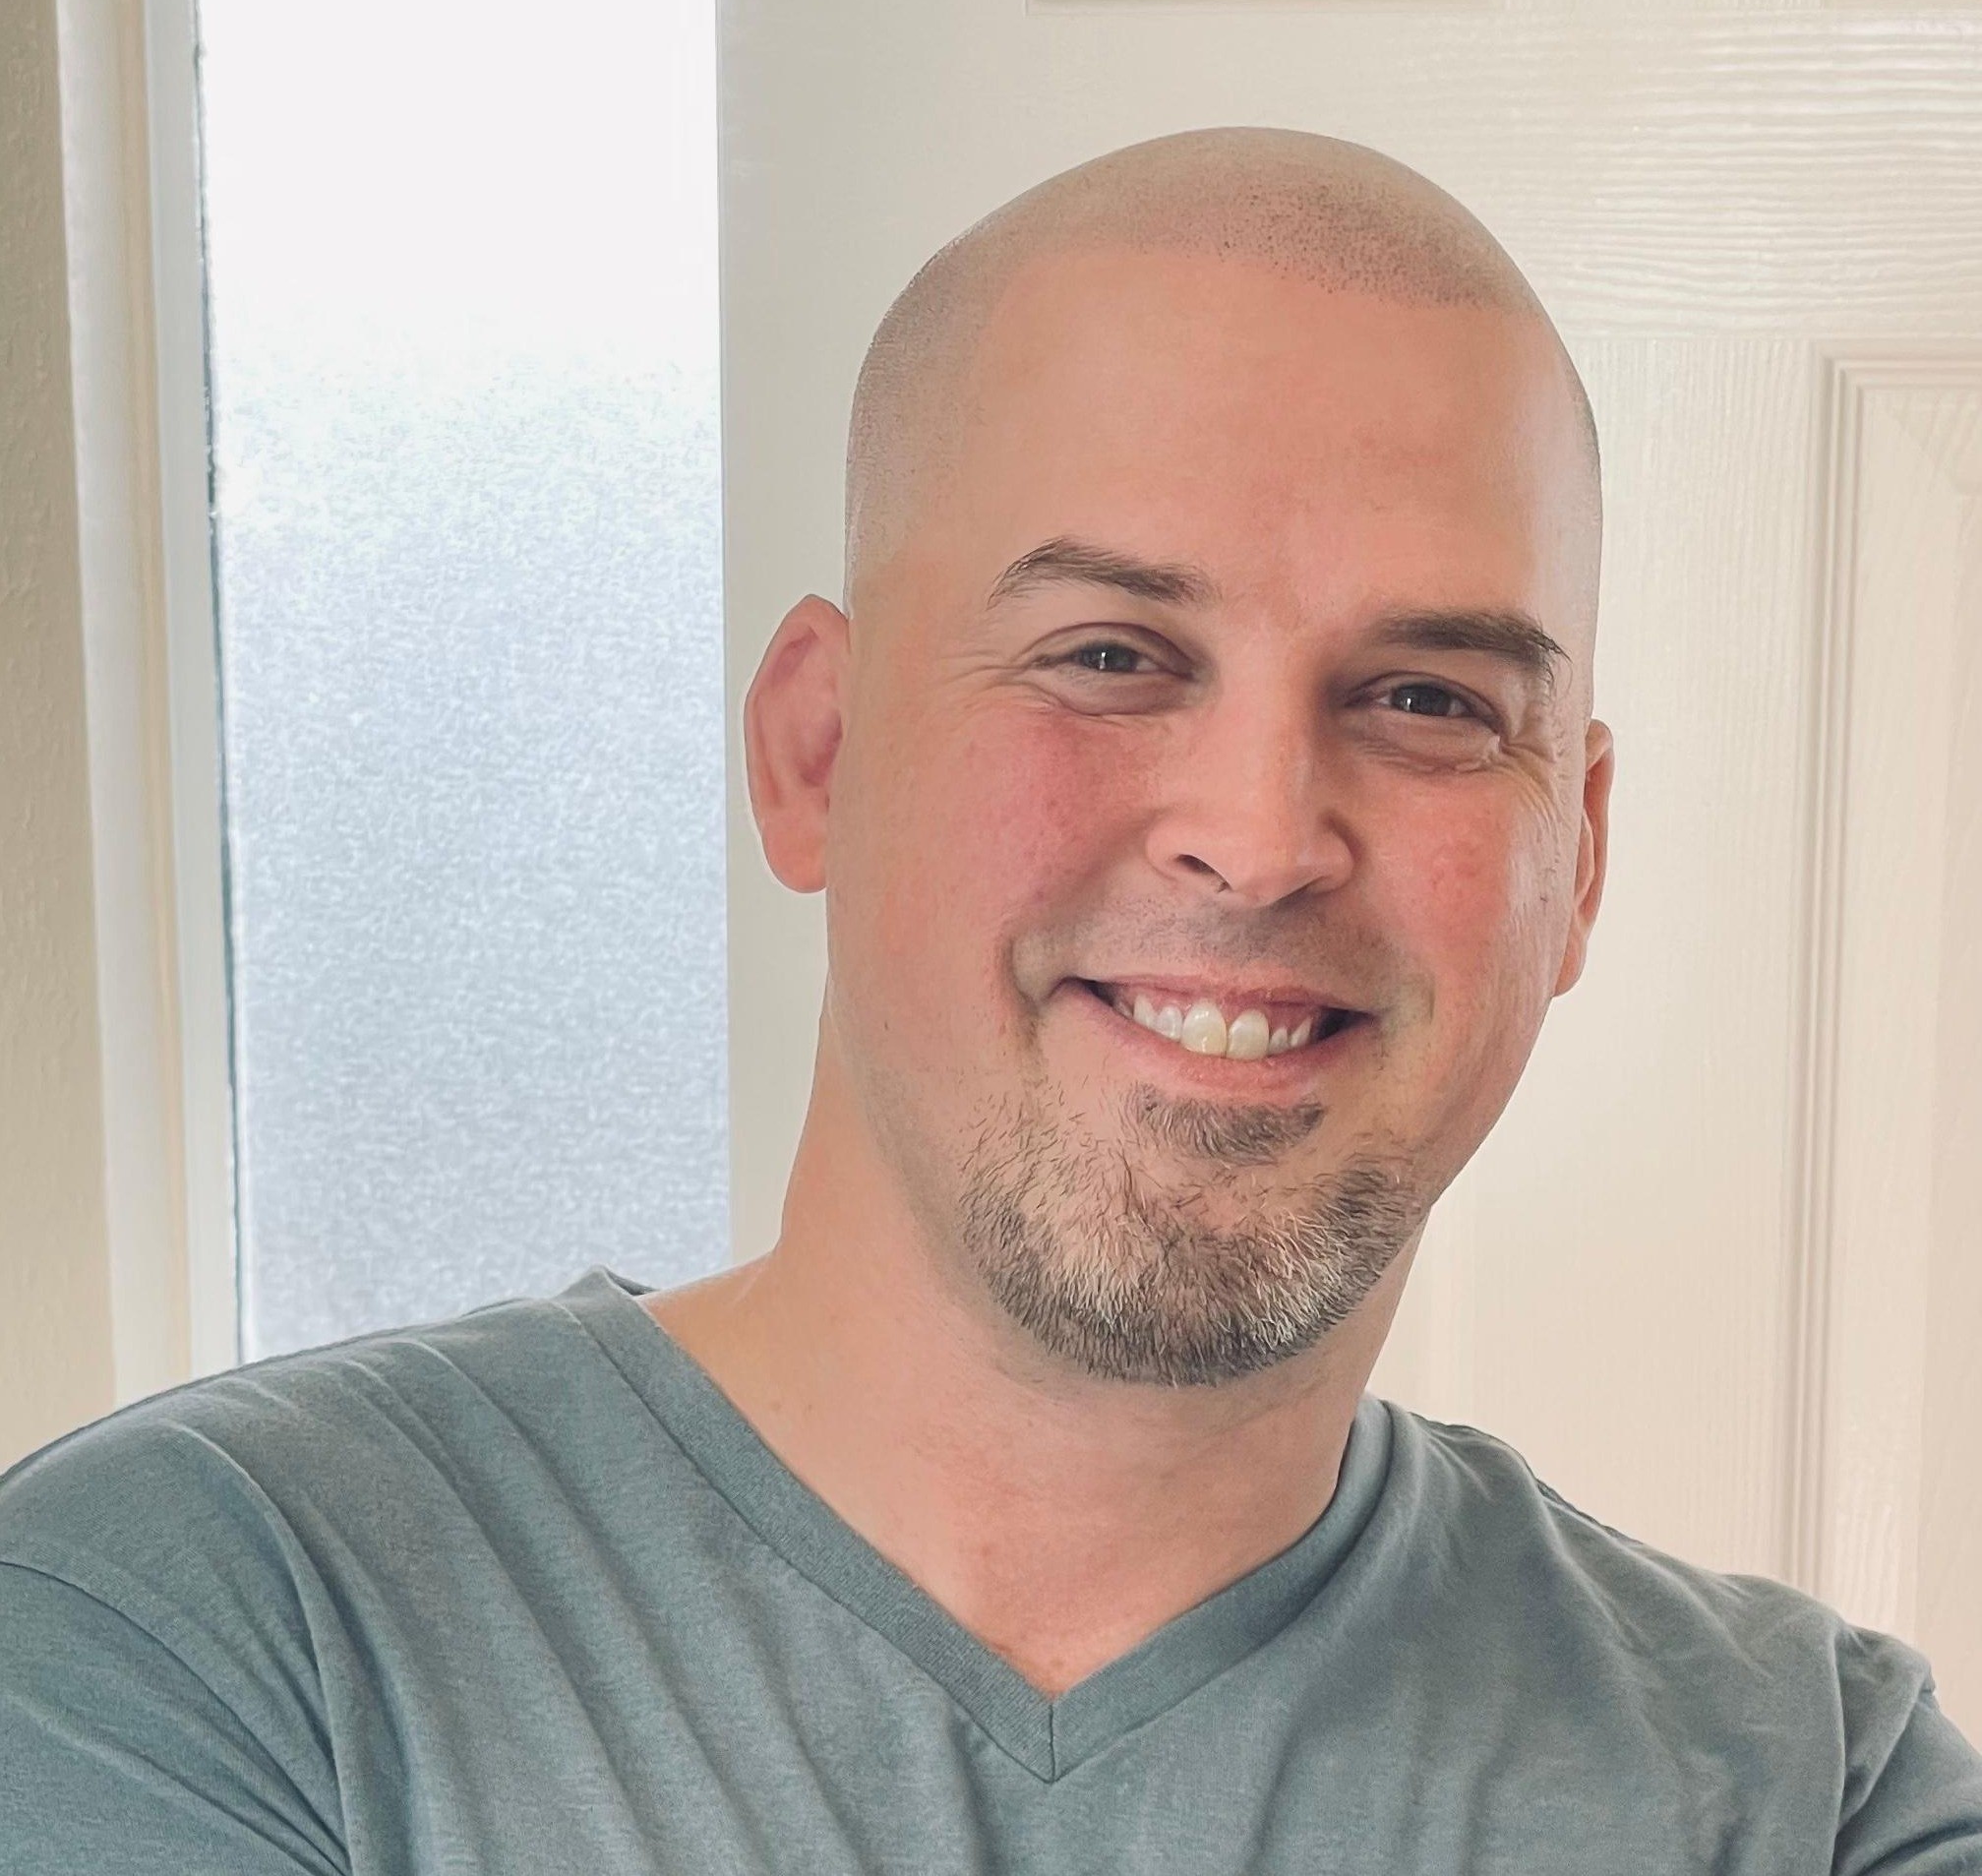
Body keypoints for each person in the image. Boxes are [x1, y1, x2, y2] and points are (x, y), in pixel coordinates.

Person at [3, 127, 1978, 1874]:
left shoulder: (1810, 1796)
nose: (1260, 833)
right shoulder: (194, 1641)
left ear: (1582, 864)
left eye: (1432, 701)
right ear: (817, 752)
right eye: (1112, 653)